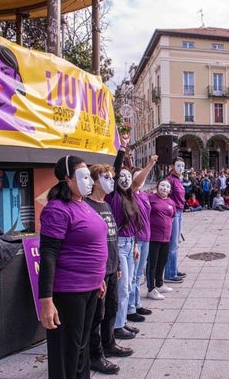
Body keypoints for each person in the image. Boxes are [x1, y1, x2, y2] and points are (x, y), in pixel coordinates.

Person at [38, 155, 108, 378]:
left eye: (89, 175)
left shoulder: (82, 204)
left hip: (90, 288)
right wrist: (46, 300)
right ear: (67, 178)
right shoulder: (57, 209)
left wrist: (98, 279)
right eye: (83, 175)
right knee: (67, 351)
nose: (88, 180)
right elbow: (48, 254)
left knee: (81, 346)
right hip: (69, 291)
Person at [86, 163, 132, 374]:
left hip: (112, 267)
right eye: (106, 177)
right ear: (94, 181)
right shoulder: (87, 206)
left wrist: (116, 266)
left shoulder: (105, 204)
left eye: (111, 177)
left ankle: (109, 343)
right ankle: (95, 355)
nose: (111, 181)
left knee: (112, 307)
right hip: (98, 271)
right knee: (97, 314)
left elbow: (111, 238)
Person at [105, 144, 142, 341]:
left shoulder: (130, 197)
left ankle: (122, 321)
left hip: (129, 244)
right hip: (118, 245)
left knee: (127, 284)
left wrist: (135, 244)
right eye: (123, 177)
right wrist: (122, 153)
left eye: (130, 177)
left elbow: (134, 224)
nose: (126, 179)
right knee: (123, 286)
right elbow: (116, 171)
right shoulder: (112, 196)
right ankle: (117, 326)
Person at [127, 155, 159, 323]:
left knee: (139, 274)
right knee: (132, 275)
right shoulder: (131, 194)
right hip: (136, 239)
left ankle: (137, 303)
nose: (144, 179)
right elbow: (136, 181)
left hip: (146, 237)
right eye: (141, 177)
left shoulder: (143, 195)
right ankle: (130, 308)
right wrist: (150, 164)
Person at [147, 179, 176, 300]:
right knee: (152, 263)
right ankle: (151, 288)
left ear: (170, 190)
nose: (164, 188)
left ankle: (159, 284)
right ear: (157, 186)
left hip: (166, 237)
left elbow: (172, 217)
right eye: (162, 185)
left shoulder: (171, 202)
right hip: (154, 236)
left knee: (162, 261)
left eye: (167, 187)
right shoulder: (150, 198)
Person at [164, 158, 187, 283]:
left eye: (183, 166)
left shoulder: (178, 180)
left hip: (180, 212)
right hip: (173, 213)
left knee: (176, 243)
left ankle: (174, 268)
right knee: (172, 244)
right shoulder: (170, 180)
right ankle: (169, 273)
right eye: (178, 166)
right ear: (172, 166)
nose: (181, 168)